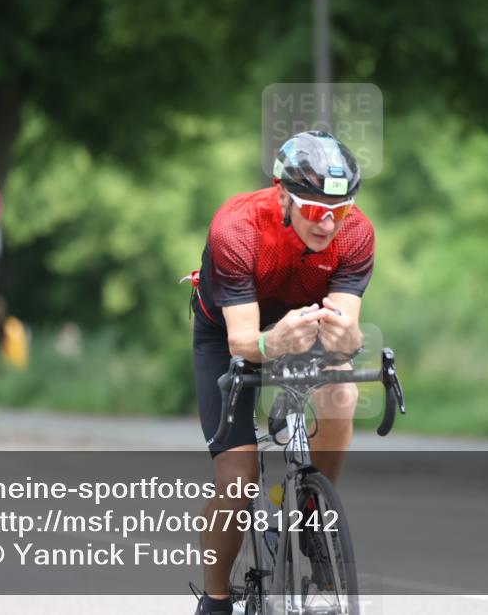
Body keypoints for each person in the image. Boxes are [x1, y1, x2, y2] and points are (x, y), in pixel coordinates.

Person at [187, 131, 373, 615]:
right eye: (314, 211)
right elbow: (242, 341)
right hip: (231, 330)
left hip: (302, 320)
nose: (328, 223)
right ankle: (216, 600)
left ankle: (313, 515)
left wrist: (345, 340)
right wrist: (272, 343)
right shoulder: (238, 227)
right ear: (283, 195)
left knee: (342, 394)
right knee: (239, 478)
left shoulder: (356, 234)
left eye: (341, 209)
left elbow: (349, 330)